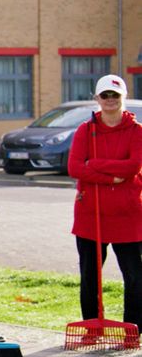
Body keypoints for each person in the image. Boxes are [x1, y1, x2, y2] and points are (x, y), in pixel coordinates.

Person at [67, 74, 142, 335]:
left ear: (123, 98)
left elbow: (134, 166)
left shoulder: (137, 131)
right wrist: (111, 176)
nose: (110, 100)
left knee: (134, 276)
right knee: (90, 276)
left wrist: (95, 164)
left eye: (115, 95)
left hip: (128, 215)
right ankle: (92, 328)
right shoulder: (85, 130)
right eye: (105, 95)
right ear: (97, 98)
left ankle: (133, 329)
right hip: (91, 214)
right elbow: (74, 167)